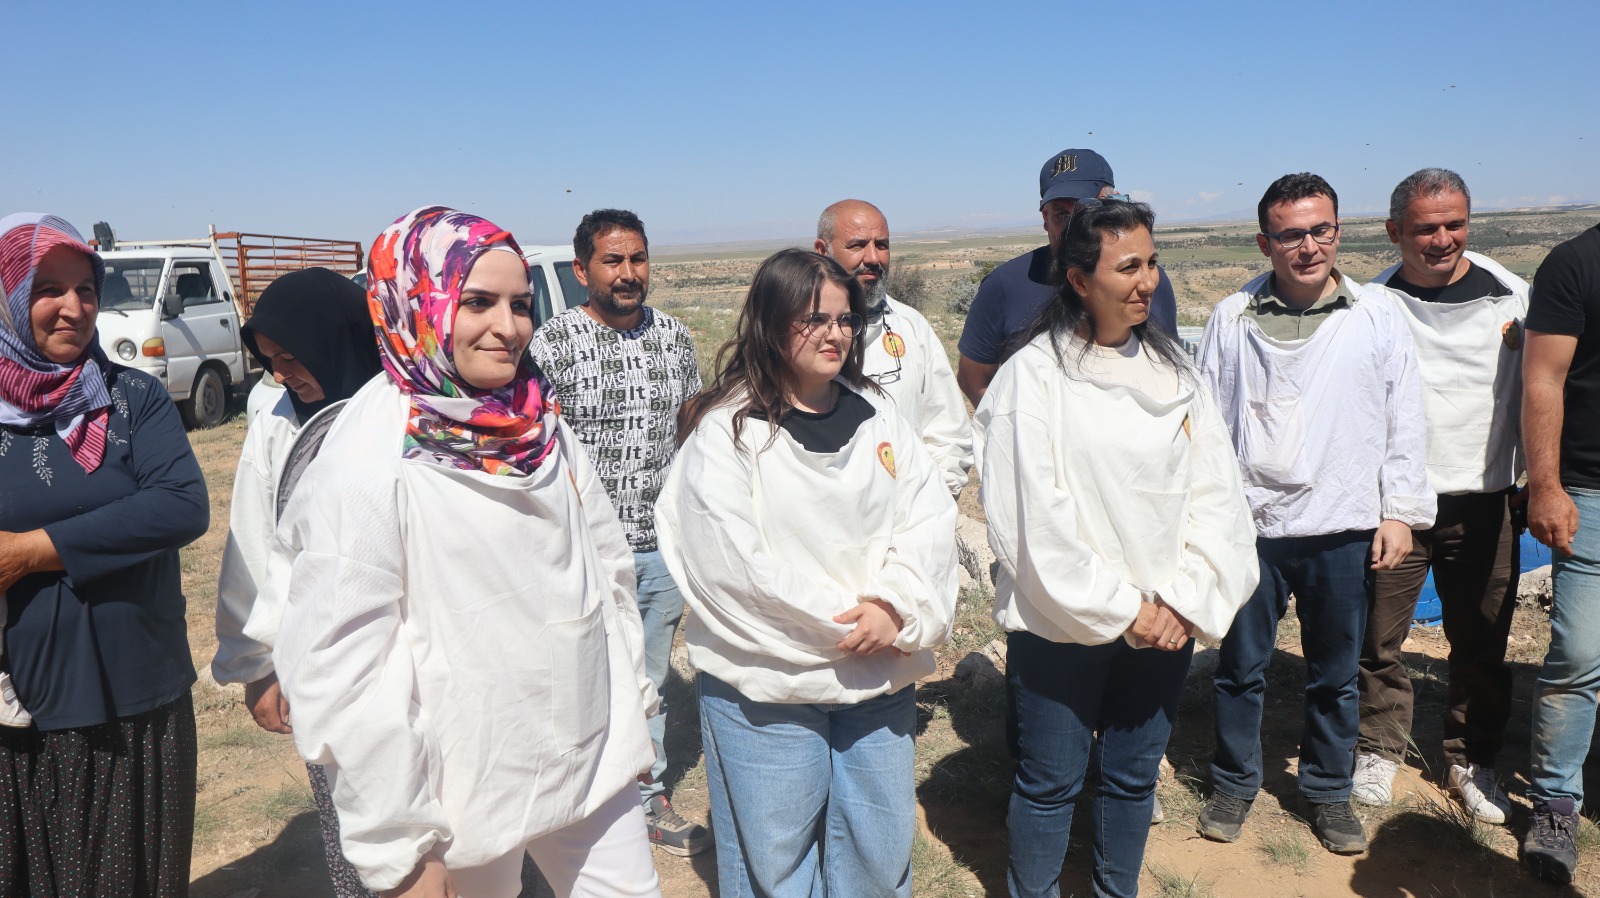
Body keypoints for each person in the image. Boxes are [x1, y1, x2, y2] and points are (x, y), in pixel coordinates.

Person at [272, 206, 661, 898]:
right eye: (478, 302)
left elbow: (607, 571)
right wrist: (402, 848)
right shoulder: (369, 454)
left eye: (520, 305)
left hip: (589, 748)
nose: (508, 327)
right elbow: (343, 664)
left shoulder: (537, 423)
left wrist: (629, 710)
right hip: (463, 777)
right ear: (417, 305)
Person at [656, 248, 958, 898]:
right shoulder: (726, 434)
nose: (834, 333)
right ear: (771, 321)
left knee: (878, 855)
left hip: (879, 679)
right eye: (813, 318)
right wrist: (853, 623)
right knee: (777, 865)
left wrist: (895, 606)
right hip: (769, 687)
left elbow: (927, 521)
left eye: (845, 319)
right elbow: (733, 566)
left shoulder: (880, 417)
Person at [977, 200, 1257, 898]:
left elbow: (1216, 496)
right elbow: (1032, 521)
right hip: (1062, 624)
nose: (1147, 281)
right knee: (1050, 783)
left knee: (1131, 779)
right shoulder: (1032, 379)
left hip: (1165, 623)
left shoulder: (1175, 373)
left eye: (1152, 262)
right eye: (1128, 266)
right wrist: (1124, 608)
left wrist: (1185, 600)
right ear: (1079, 280)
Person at [1196, 174, 1435, 855]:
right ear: (1265, 242)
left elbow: (1404, 416)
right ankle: (1234, 782)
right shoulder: (1231, 319)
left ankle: (1328, 791)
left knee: (1336, 673)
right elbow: (1205, 421)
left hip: (1343, 524)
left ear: (1338, 230)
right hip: (1252, 528)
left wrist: (1400, 513)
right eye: (1291, 234)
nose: (1308, 247)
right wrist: (1205, 518)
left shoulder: (1375, 314)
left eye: (1320, 230)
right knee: (1240, 667)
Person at [0, 213, 210, 896]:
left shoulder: (133, 396)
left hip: (133, 697)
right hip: (17, 708)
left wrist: (33, 550)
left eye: (86, 288)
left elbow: (180, 505)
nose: (74, 307)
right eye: (48, 290)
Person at [525, 209, 709, 856]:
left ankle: (646, 799)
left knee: (649, 681)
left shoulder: (675, 339)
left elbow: (692, 435)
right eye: (613, 261)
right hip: (580, 554)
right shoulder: (551, 346)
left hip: (660, 551)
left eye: (638, 258)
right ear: (582, 270)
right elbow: (535, 451)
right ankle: (567, 808)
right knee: (572, 681)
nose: (629, 273)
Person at [1352, 169, 1527, 824]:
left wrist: (1531, 479)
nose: (1443, 239)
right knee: (1380, 638)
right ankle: (1378, 747)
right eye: (1426, 228)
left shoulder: (1513, 295)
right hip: (1397, 504)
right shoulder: (1371, 306)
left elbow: (1538, 389)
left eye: (1456, 224)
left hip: (1485, 499)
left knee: (1481, 640)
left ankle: (1471, 758)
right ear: (1395, 231)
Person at [211, 267, 384, 898]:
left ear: (335, 340)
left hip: (418, 660)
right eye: (270, 362)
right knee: (358, 838)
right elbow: (254, 545)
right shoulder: (279, 422)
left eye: (292, 357)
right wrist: (255, 666)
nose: (281, 375)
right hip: (323, 665)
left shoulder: (409, 409)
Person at [956, 148, 1180, 407]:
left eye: (1087, 208)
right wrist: (1014, 423)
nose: (1075, 224)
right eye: (1062, 214)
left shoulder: (1148, 282)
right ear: (1045, 218)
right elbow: (973, 377)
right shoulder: (1005, 285)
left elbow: (1168, 365)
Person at [1520, 219, 1600, 883]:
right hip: (1591, 491)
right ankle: (1555, 802)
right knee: (1578, 654)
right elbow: (1543, 379)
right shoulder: (1575, 263)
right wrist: (1545, 485)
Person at [814, 199, 973, 496]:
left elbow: (948, 429)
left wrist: (936, 498)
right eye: (857, 245)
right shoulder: (798, 335)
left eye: (882, 245)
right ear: (823, 251)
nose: (874, 258)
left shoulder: (911, 326)